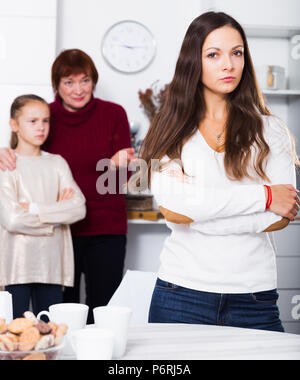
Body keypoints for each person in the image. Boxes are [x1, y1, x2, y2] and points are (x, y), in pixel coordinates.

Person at [131, 12, 300, 332]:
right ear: (194, 61)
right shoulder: (169, 129)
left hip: (254, 297)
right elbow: (175, 210)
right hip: (180, 294)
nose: (229, 64)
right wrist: (264, 196)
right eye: (214, 54)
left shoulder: (272, 130)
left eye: (237, 53)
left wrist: (201, 211)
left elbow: (282, 214)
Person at [0, 49, 136, 323]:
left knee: (102, 308)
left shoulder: (114, 114)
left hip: (106, 230)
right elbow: (23, 156)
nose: (78, 89)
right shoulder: (43, 116)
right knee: (63, 312)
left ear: (94, 82)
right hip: (59, 233)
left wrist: (120, 168)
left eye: (84, 80)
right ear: (56, 86)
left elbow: (127, 183)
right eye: (69, 82)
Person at [0, 95, 86, 318]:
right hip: (15, 266)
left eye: (45, 121)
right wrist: (56, 217)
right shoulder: (6, 164)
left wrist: (35, 208)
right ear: (14, 125)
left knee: (50, 335)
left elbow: (78, 208)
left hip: (51, 264)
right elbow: (12, 219)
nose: (41, 127)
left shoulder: (57, 163)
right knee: (13, 335)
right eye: (33, 121)